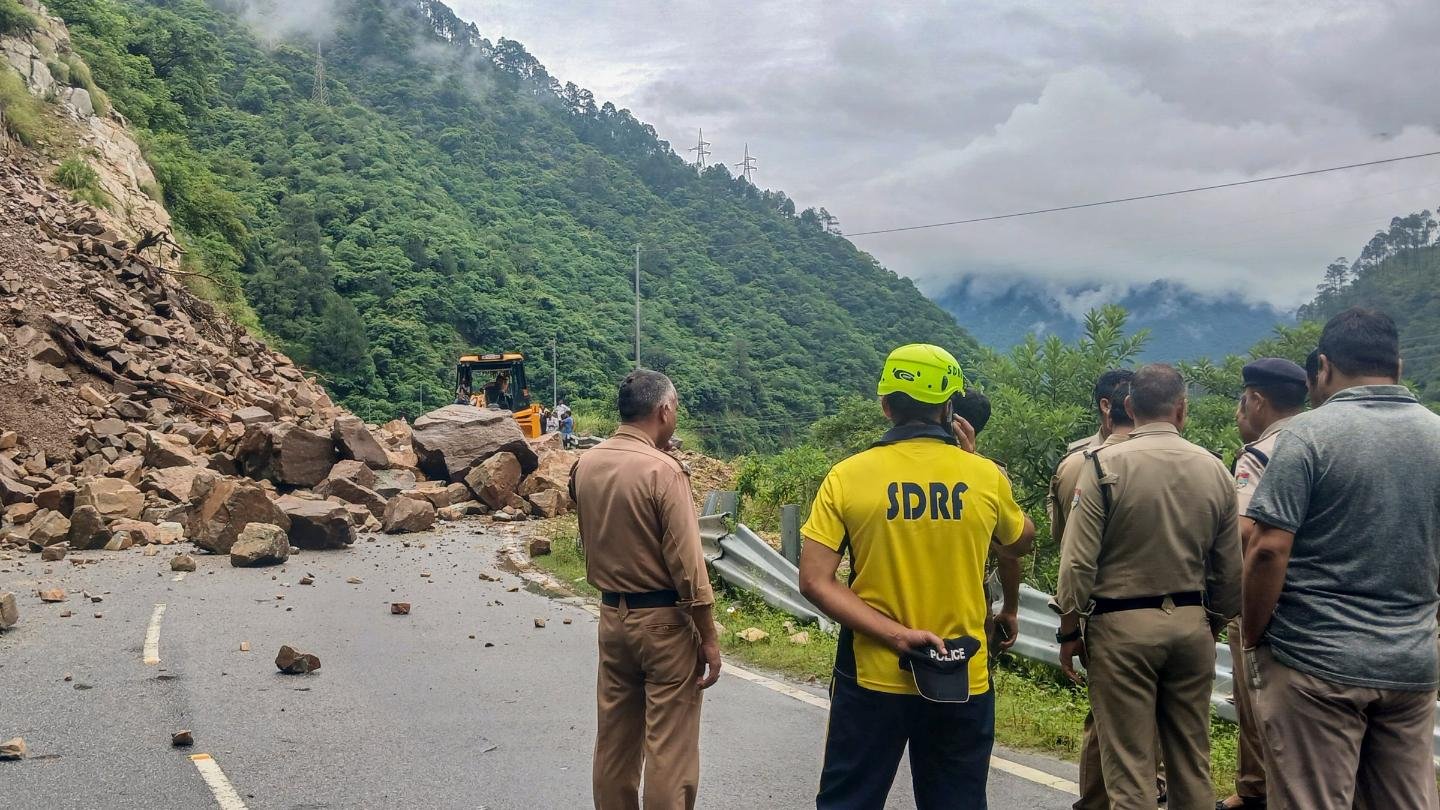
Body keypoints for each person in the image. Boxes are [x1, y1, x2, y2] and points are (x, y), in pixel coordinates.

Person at [798, 344, 1035, 810]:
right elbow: (1020, 540)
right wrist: (977, 467)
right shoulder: (984, 477)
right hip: (962, 671)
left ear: (886, 405)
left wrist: (896, 635)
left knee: (850, 799)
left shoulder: (847, 476)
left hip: (872, 669)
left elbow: (815, 580)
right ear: (950, 408)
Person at [1243, 308, 1440, 810]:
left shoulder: (1307, 435)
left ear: (1324, 367)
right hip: (1410, 663)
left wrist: (1253, 634)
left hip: (1314, 662)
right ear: (1397, 365)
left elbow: (1268, 548)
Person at [1056, 363, 1242, 810]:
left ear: (1128, 407)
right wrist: (1210, 621)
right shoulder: (1214, 469)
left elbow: (1077, 563)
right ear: (1182, 409)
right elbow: (1231, 569)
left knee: (1130, 768)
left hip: (1121, 627)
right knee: (1191, 762)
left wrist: (1068, 630)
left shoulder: (1102, 465)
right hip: (1191, 625)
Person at [569, 369, 722, 810]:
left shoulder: (586, 464)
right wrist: (708, 636)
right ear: (664, 410)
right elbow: (688, 568)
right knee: (669, 750)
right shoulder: (665, 471)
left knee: (615, 742)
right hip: (664, 625)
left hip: (611, 618)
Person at [1049, 369, 1141, 810]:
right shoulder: (1197, 460)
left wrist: (1070, 625)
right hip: (1182, 615)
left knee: (1105, 720)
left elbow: (1069, 551)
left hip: (1103, 611)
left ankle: (1095, 802)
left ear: (1107, 405)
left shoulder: (1076, 465)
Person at [1218, 358, 1306, 810]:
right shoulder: (1319, 440)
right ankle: (1252, 785)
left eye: (1241, 404)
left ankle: (1259, 793)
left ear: (1255, 400)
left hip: (1267, 599)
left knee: (1256, 702)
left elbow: (1249, 535)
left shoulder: (1258, 454)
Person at [951, 388, 1022, 660]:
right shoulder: (992, 474)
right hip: (972, 595)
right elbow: (1011, 550)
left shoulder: (901, 461)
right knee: (972, 673)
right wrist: (1011, 608)